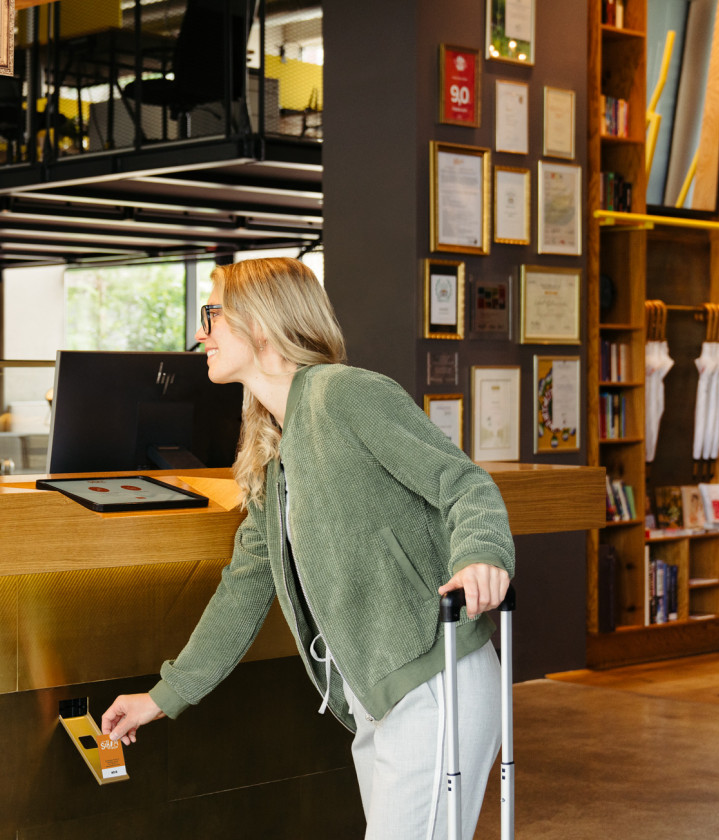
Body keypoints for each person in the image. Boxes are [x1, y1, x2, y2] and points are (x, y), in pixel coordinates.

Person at [101, 257, 515, 840]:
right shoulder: (277, 444)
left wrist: (482, 554)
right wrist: (162, 697)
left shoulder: (343, 395)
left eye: (212, 314)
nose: (201, 333)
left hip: (430, 680)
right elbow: (247, 584)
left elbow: (462, 483)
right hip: (378, 700)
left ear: (261, 323)